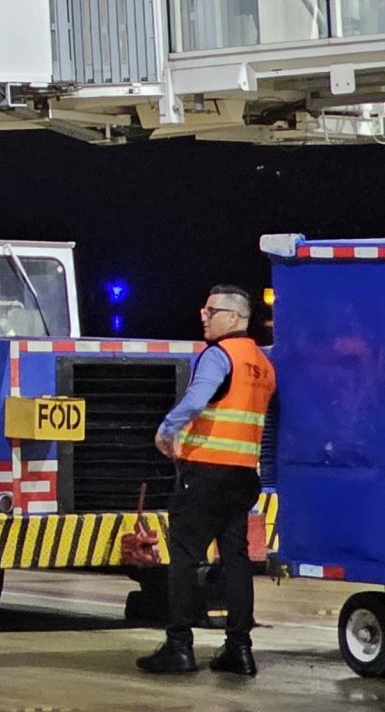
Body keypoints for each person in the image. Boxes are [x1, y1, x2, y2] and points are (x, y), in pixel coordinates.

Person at [137, 283, 276, 678]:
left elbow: (198, 400)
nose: (203, 316)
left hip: (206, 473)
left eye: (211, 311)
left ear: (233, 318)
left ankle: (179, 647)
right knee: (236, 561)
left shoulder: (219, 355)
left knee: (183, 558)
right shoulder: (263, 364)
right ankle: (239, 648)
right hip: (244, 474)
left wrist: (166, 430)